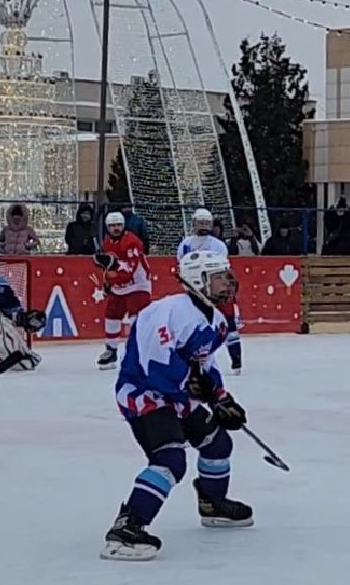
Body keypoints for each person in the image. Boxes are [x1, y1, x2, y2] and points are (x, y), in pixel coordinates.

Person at [100, 248, 253, 561]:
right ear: (198, 280)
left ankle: (212, 503)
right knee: (170, 459)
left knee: (217, 444)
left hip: (177, 395)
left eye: (227, 275)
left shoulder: (216, 317)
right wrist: (193, 389)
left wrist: (221, 397)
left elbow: (203, 362)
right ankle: (127, 527)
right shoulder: (169, 313)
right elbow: (156, 367)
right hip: (144, 396)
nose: (228, 282)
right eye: (219, 277)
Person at [176, 209, 242, 374]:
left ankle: (236, 359)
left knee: (228, 323)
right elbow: (183, 266)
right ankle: (194, 359)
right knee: (194, 323)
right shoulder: (186, 243)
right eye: (201, 222)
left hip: (217, 288)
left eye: (206, 223)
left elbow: (222, 268)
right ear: (194, 223)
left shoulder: (218, 245)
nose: (203, 226)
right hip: (197, 290)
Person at [93, 211, 153, 369]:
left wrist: (112, 275)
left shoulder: (132, 242)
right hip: (120, 286)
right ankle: (111, 351)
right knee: (111, 315)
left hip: (137, 285)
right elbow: (110, 267)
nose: (116, 228)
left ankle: (137, 351)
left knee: (137, 320)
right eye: (112, 226)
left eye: (119, 225)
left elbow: (129, 271)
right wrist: (107, 282)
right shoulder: (107, 243)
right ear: (107, 227)